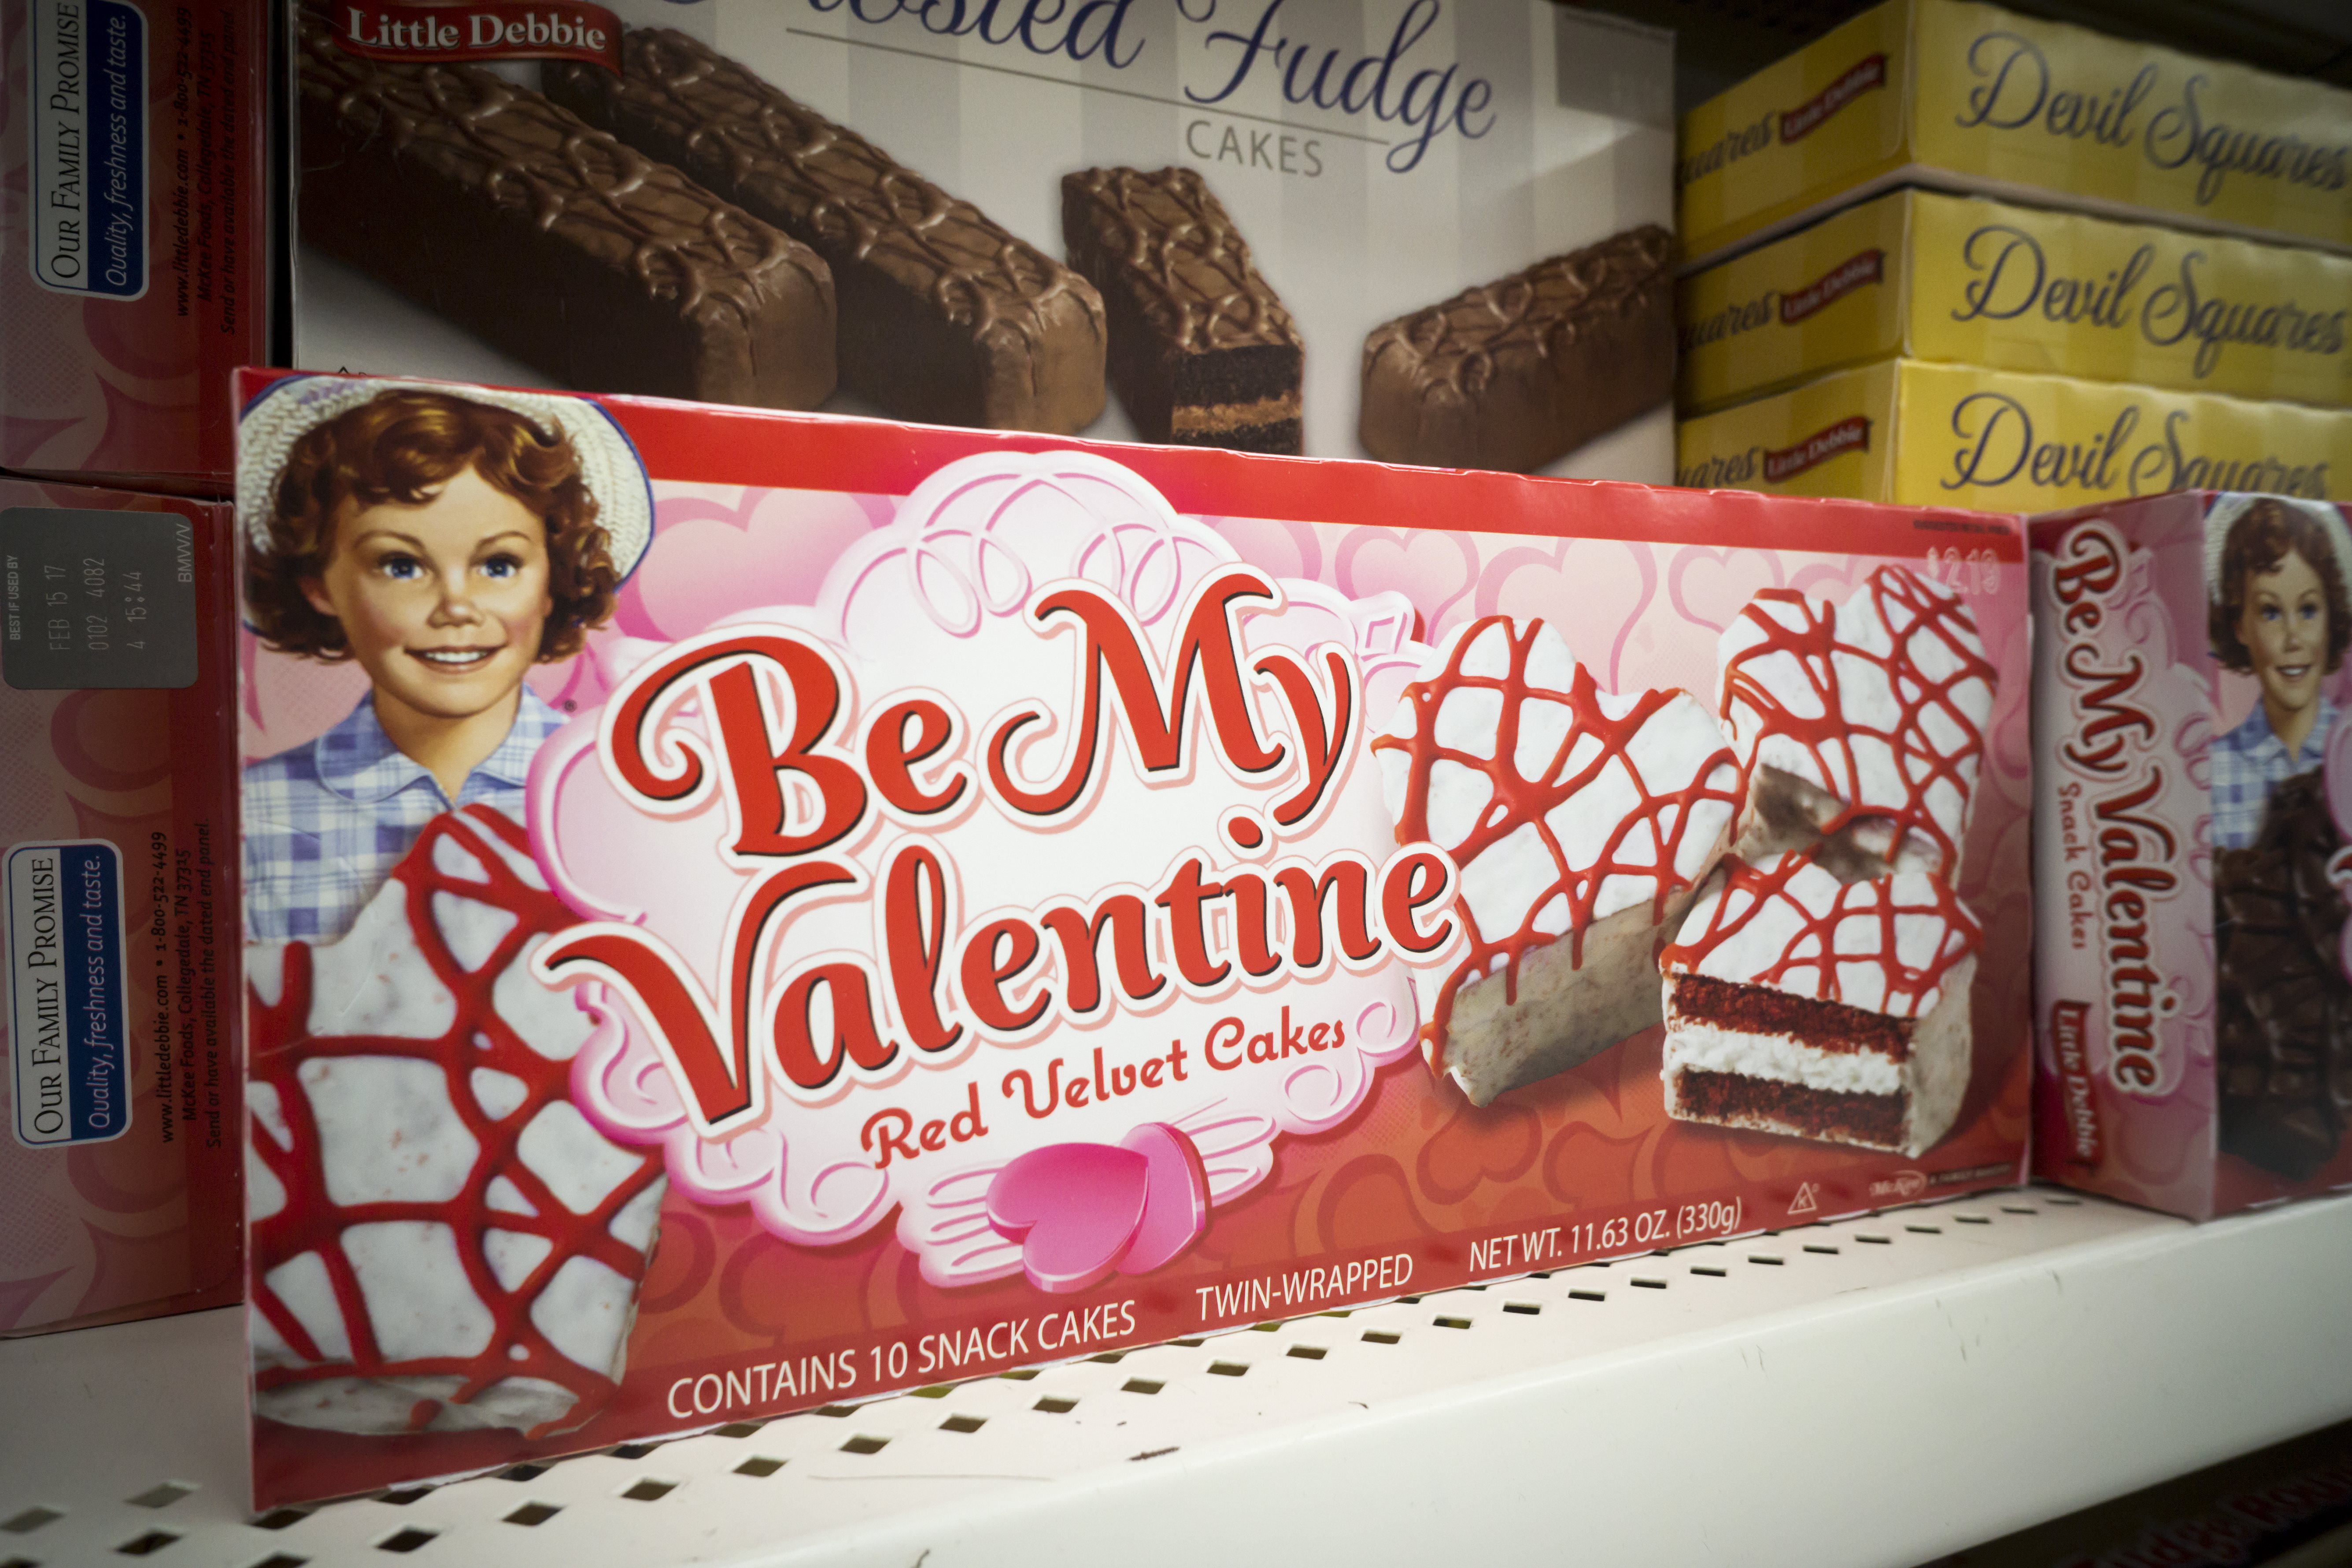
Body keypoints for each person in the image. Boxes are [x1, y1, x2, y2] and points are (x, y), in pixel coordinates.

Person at [240, 381, 648, 941]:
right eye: (401, 566)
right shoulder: (255, 813)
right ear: (320, 587)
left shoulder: (620, 795)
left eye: (499, 565)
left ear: (554, 579)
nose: (457, 607)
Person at [2206, 496, 2352, 852]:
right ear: (2240, 626)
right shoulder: (2210, 771)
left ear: (2331, 617)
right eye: (2270, 612)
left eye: (2309, 610)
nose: (2293, 639)